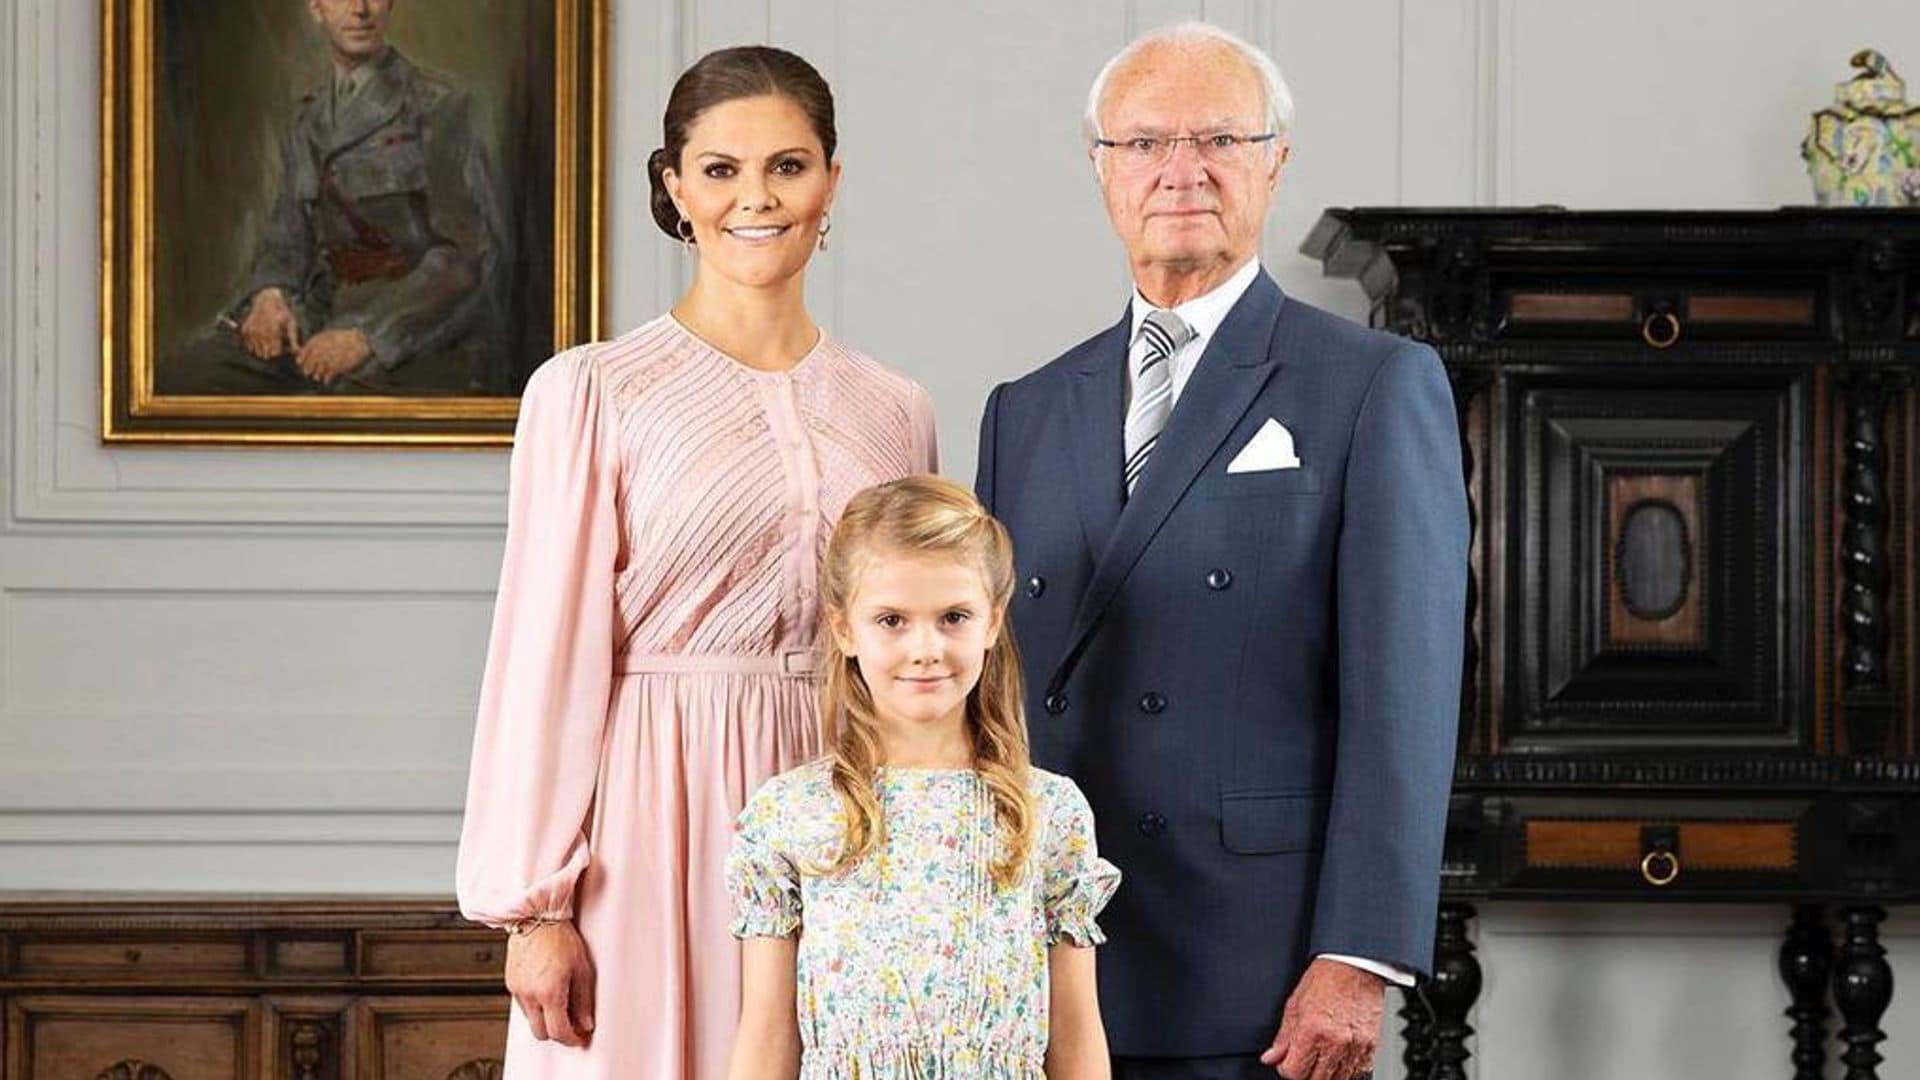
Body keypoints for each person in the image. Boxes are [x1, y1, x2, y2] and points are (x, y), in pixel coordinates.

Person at [973, 21, 1468, 1080]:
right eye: (1145, 142)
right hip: (1042, 959)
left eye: (1220, 140)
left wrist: (1360, 953)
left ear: (1274, 162)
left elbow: (1406, 700)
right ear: (1100, 167)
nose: (1180, 171)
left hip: (1259, 965)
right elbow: (985, 695)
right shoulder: (1024, 410)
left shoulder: (1373, 384)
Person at [454, 46, 939, 1078]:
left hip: (848, 821)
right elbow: (543, 656)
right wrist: (534, 907)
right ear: (674, 188)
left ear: (831, 183)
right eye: (719, 170)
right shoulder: (592, 393)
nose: (754, 198)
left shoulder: (895, 408)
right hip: (650, 826)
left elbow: (923, 654)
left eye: (787, 166)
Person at [725, 475, 1120, 1079]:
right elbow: (766, 1037)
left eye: (953, 616)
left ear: (992, 623)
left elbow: (1076, 1037)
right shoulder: (790, 814)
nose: (926, 648)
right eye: (891, 620)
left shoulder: (1050, 812)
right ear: (843, 628)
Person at [158, 0, 507, 395]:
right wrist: (269, 296)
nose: (360, 9)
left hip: (410, 339)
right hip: (317, 325)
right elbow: (286, 241)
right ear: (315, 7)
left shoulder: (440, 105)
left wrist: (366, 336)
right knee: (180, 378)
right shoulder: (306, 119)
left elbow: (466, 257)